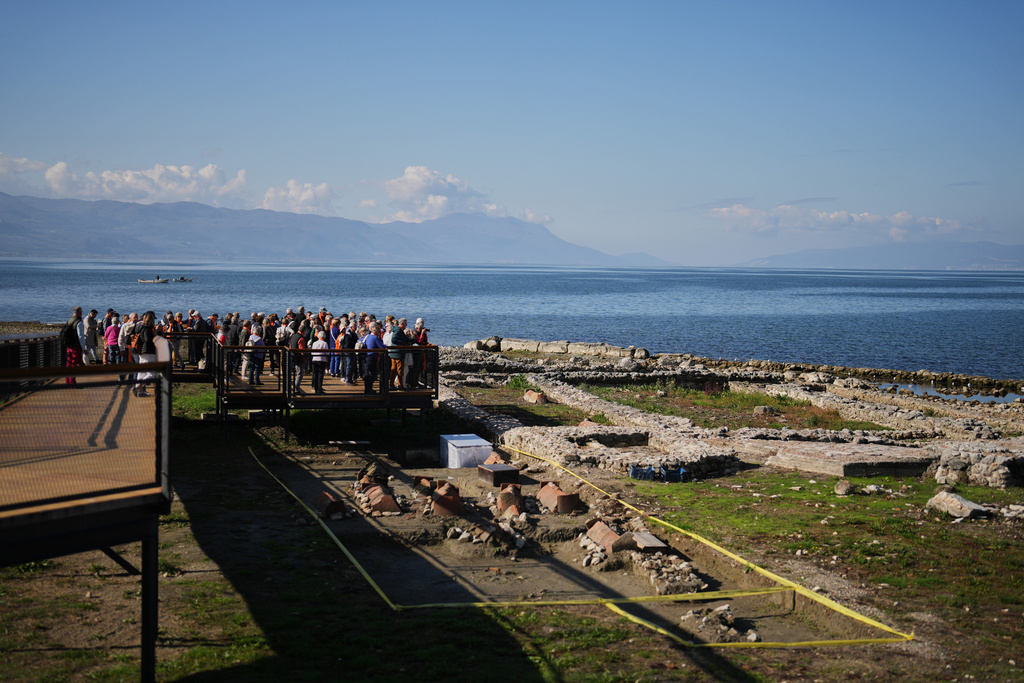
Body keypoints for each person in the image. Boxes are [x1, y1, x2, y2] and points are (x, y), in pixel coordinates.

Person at [133, 311, 158, 397]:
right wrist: (155, 335)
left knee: (142, 372)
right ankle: (139, 386)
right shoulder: (148, 329)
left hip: (141, 351)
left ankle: (139, 391)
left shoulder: (139, 327)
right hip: (148, 351)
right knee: (151, 374)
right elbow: (147, 340)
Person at [61, 306, 85, 383]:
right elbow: (80, 336)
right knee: (74, 364)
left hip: (69, 345)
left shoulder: (69, 321)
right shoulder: (79, 322)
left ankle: (67, 380)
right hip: (76, 346)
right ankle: (72, 381)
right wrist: (83, 348)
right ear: (80, 313)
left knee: (69, 362)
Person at [362, 322, 385, 395]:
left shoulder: (367, 336)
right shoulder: (375, 338)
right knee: (372, 374)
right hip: (372, 357)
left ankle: (367, 389)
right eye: (379, 332)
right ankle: (369, 390)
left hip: (366, 357)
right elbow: (382, 347)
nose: (380, 333)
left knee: (367, 374)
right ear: (375, 332)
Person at [388, 318, 410, 389]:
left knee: (393, 369)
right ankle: (400, 385)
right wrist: (403, 344)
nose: (406, 325)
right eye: (405, 323)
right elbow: (394, 339)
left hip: (395, 352)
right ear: (402, 323)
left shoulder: (398, 330)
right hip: (398, 352)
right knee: (399, 369)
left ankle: (391, 384)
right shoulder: (398, 330)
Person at [289, 322, 309, 395]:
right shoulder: (301, 338)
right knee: (299, 373)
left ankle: (294, 387)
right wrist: (304, 359)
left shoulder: (294, 336)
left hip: (292, 356)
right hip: (298, 358)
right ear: (304, 331)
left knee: (295, 373)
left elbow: (290, 346)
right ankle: (296, 388)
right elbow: (302, 350)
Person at [410, 318, 429, 388]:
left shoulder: (419, 332)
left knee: (419, 368)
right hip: (415, 352)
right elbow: (420, 341)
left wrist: (424, 334)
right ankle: (412, 382)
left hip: (420, 352)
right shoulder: (414, 332)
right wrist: (422, 334)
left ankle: (416, 381)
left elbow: (425, 341)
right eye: (420, 328)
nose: (421, 329)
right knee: (415, 368)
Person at [340, 320, 358, 385]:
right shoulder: (348, 335)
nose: (356, 327)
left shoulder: (353, 334)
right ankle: (348, 379)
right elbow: (347, 344)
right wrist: (355, 343)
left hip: (352, 352)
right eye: (354, 326)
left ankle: (351, 378)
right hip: (349, 352)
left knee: (351, 365)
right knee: (349, 365)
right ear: (351, 327)